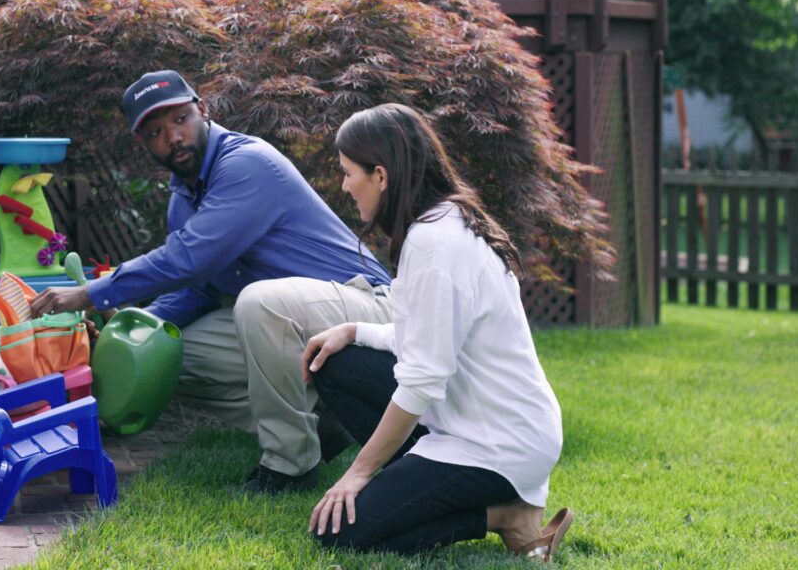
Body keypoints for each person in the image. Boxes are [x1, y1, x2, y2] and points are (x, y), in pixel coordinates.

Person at [30, 70, 393, 493]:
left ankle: (289, 469)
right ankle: (321, 427)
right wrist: (126, 332)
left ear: (203, 110)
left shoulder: (246, 164)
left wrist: (89, 293)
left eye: (180, 119)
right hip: (295, 321)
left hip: (365, 306)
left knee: (258, 302)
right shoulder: (184, 198)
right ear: (142, 143)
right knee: (164, 358)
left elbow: (186, 258)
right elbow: (198, 287)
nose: (173, 137)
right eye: (156, 132)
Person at [302, 103, 572, 560]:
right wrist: (353, 330)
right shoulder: (437, 223)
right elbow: (425, 338)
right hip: (467, 422)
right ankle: (419, 481)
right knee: (337, 362)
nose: (345, 185)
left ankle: (506, 515)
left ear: (382, 176)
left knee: (338, 536)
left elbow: (424, 375)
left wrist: (360, 472)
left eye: (349, 173)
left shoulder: (434, 244)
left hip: (498, 442)